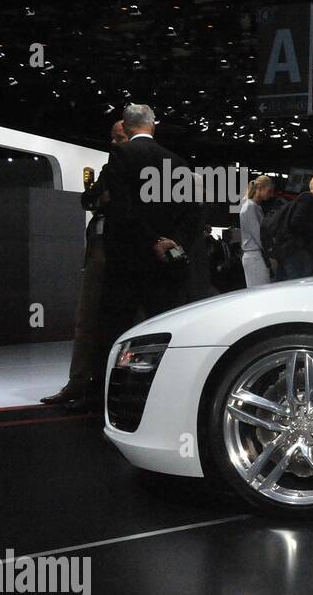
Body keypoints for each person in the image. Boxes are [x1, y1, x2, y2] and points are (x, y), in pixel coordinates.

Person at [98, 103, 204, 368]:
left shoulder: (121, 154)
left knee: (116, 330)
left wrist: (150, 240)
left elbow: (123, 210)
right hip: (165, 264)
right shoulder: (177, 161)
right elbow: (192, 213)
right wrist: (171, 242)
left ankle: (106, 392)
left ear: (125, 125)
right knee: (163, 329)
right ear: (153, 125)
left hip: (127, 262)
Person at [40, 120, 127, 408]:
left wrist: (103, 200)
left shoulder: (138, 169)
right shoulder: (110, 166)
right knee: (86, 320)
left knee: (116, 324)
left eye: (117, 138)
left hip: (124, 255)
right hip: (100, 251)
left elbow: (104, 201)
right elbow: (89, 199)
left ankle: (105, 389)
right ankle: (79, 384)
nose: (112, 143)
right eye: (112, 138)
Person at [277, 174, 313, 279]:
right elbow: (295, 223)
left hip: (298, 255)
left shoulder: (308, 200)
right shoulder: (308, 198)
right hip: (300, 256)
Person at [239, 175, 276, 287]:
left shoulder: (254, 206)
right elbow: (259, 235)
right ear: (260, 188)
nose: (271, 194)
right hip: (254, 256)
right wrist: (271, 253)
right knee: (259, 293)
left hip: (256, 255)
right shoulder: (250, 207)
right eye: (269, 191)